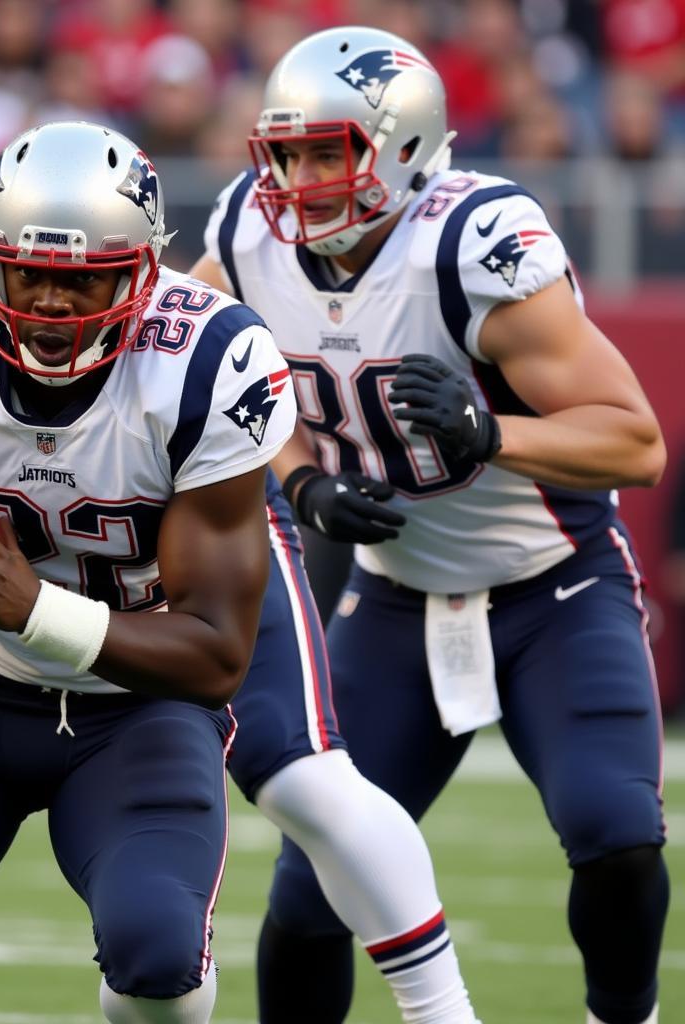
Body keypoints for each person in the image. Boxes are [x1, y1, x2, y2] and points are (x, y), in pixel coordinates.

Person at [0, 121, 479, 1024]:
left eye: (83, 279)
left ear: (145, 271)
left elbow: (217, 659)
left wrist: (30, 603)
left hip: (137, 707)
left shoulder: (203, 362)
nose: (49, 303)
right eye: (27, 270)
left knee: (163, 959)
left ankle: (440, 1008)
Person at [191, 25, 669, 1024]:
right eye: (285, 153)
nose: (300, 179)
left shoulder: (469, 244)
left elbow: (634, 444)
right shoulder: (244, 236)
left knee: (613, 828)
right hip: (396, 595)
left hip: (554, 585)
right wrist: (300, 480)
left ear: (402, 147)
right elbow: (222, 380)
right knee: (317, 880)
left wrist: (488, 431)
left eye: (328, 152)